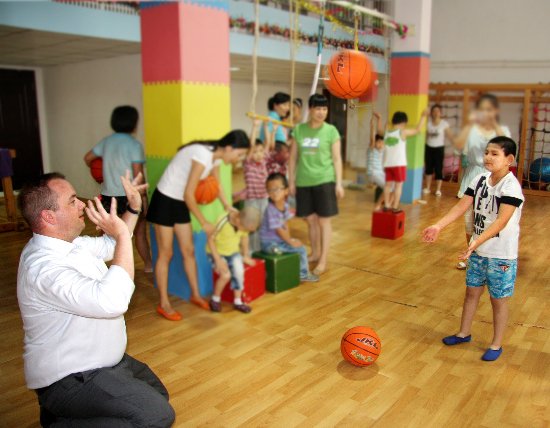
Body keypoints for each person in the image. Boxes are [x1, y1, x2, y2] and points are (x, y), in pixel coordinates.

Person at [17, 171, 175, 427]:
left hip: (102, 363)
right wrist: (123, 235)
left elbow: (112, 247)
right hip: (71, 378)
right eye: (71, 201)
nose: (81, 203)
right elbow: (112, 301)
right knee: (157, 417)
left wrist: (133, 209)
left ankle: (61, 415)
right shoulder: (43, 268)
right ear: (48, 216)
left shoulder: (69, 244)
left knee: (158, 396)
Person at [422, 136, 524, 362]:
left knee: (498, 300)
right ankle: (463, 333)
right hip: (477, 251)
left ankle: (496, 345)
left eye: (494, 154)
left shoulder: (511, 187)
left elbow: (501, 222)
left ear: (509, 159)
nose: (488, 157)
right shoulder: (479, 179)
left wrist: (475, 242)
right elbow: (462, 205)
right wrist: (439, 226)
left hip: (501, 255)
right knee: (471, 292)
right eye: (487, 152)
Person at [146, 131, 250, 320]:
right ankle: (164, 303)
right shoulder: (203, 155)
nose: (238, 159)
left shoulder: (216, 158)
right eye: (239, 154)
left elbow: (217, 184)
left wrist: (228, 205)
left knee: (189, 250)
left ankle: (195, 294)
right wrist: (204, 222)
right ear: (229, 148)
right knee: (166, 253)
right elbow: (189, 195)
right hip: (165, 200)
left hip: (179, 202)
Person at [84, 105, 152, 272]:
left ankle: (97, 267)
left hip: (108, 195)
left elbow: (88, 158)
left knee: (105, 234)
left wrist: (99, 175)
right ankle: (149, 265)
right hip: (129, 197)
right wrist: (143, 198)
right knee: (140, 234)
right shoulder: (134, 145)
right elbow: (137, 176)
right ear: (135, 124)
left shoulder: (106, 142)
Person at [453, 94, 511, 270]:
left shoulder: (502, 129)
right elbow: (458, 146)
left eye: (489, 109)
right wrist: (469, 124)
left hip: (495, 178)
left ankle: (490, 256)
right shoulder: (472, 130)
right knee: (470, 221)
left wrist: (494, 124)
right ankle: (471, 255)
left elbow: (507, 146)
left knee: (491, 218)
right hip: (473, 175)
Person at [289, 94, 344, 276]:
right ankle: (315, 253)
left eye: (324, 109)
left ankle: (323, 260)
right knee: (311, 220)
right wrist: (291, 181)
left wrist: (339, 183)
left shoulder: (331, 131)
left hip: (325, 180)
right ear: (310, 109)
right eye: (318, 108)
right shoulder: (299, 130)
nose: (321, 112)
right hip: (304, 181)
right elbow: (293, 158)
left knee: (323, 221)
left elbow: (336, 159)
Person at [260, 173, 319, 282]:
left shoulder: (286, 207)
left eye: (278, 189)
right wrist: (291, 243)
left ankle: (303, 274)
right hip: (269, 243)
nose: (274, 192)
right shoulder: (270, 209)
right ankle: (274, 254)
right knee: (279, 249)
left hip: (280, 241)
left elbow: (285, 226)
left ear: (286, 191)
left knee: (301, 248)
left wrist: (290, 240)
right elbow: (279, 229)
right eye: (271, 190)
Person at [206, 206, 261, 314]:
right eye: (245, 229)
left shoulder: (244, 222)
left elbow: (245, 237)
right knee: (226, 275)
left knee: (239, 272)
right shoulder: (222, 222)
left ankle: (238, 302)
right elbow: (210, 240)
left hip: (232, 252)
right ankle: (215, 300)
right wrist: (217, 260)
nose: (245, 231)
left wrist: (245, 255)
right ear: (237, 220)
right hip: (216, 253)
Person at [383, 109, 430, 213]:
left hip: (388, 164)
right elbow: (417, 130)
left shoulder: (386, 133)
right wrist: (423, 116)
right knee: (398, 186)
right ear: (403, 123)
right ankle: (395, 207)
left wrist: (380, 120)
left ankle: (386, 205)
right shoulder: (402, 132)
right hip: (399, 164)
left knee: (388, 185)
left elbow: (378, 131)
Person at [243, 120, 270, 253]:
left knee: (262, 224)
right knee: (250, 224)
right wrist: (254, 126)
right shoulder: (248, 164)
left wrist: (267, 127)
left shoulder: (264, 161)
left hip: (264, 198)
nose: (259, 154)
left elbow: (268, 144)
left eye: (260, 151)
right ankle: (249, 250)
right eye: (255, 152)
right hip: (252, 200)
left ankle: (260, 248)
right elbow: (251, 145)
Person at [423, 104, 455, 196]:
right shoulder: (428, 124)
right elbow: (426, 137)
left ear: (440, 113)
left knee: (439, 168)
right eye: (434, 111)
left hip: (439, 148)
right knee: (428, 168)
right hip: (429, 147)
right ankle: (427, 188)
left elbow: (450, 135)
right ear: (432, 113)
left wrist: (456, 143)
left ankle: (438, 189)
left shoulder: (444, 124)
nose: (436, 113)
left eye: (438, 111)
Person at [368, 111, 393, 211]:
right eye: (378, 143)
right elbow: (372, 138)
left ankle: (389, 205)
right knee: (389, 187)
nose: (380, 145)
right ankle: (378, 205)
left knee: (395, 186)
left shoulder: (382, 150)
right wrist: (372, 126)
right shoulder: (372, 149)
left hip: (380, 173)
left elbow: (385, 138)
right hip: (372, 173)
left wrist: (386, 127)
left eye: (382, 144)